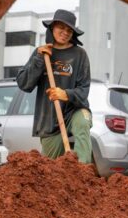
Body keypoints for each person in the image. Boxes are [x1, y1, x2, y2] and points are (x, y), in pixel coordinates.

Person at [17, 9, 93, 164]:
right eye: (61, 28)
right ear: (52, 28)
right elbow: (24, 84)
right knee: (51, 170)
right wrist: (38, 59)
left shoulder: (80, 55)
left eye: (69, 30)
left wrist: (65, 94)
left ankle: (83, 174)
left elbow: (83, 90)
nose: (65, 33)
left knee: (83, 122)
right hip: (49, 118)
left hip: (74, 110)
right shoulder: (42, 53)